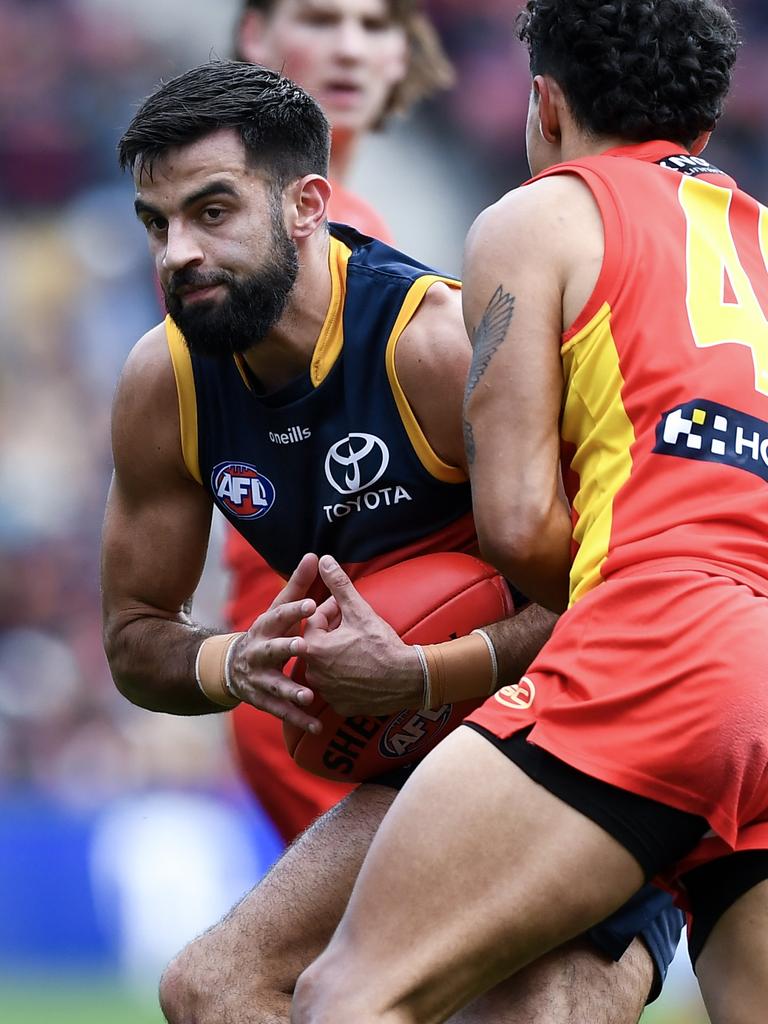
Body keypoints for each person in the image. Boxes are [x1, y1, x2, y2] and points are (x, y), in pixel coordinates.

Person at [103, 61, 681, 1024]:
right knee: (209, 988)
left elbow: (623, 586)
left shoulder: (439, 346)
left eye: (211, 211)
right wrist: (232, 661)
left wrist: (426, 674)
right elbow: (133, 637)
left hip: (590, 731)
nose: (177, 254)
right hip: (428, 761)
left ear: (307, 204)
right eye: (155, 224)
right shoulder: (163, 384)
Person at [289, 2, 768, 1023]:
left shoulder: (537, 217)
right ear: (707, 129)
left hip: (662, 644)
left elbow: (513, 522)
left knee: (348, 995)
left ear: (544, 107)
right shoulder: (764, 239)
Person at [227, 0, 456, 843]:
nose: (351, 49)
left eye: (376, 26)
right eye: (321, 20)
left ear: (405, 55)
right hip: (324, 654)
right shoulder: (255, 222)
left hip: (373, 642)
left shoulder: (357, 217)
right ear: (256, 36)